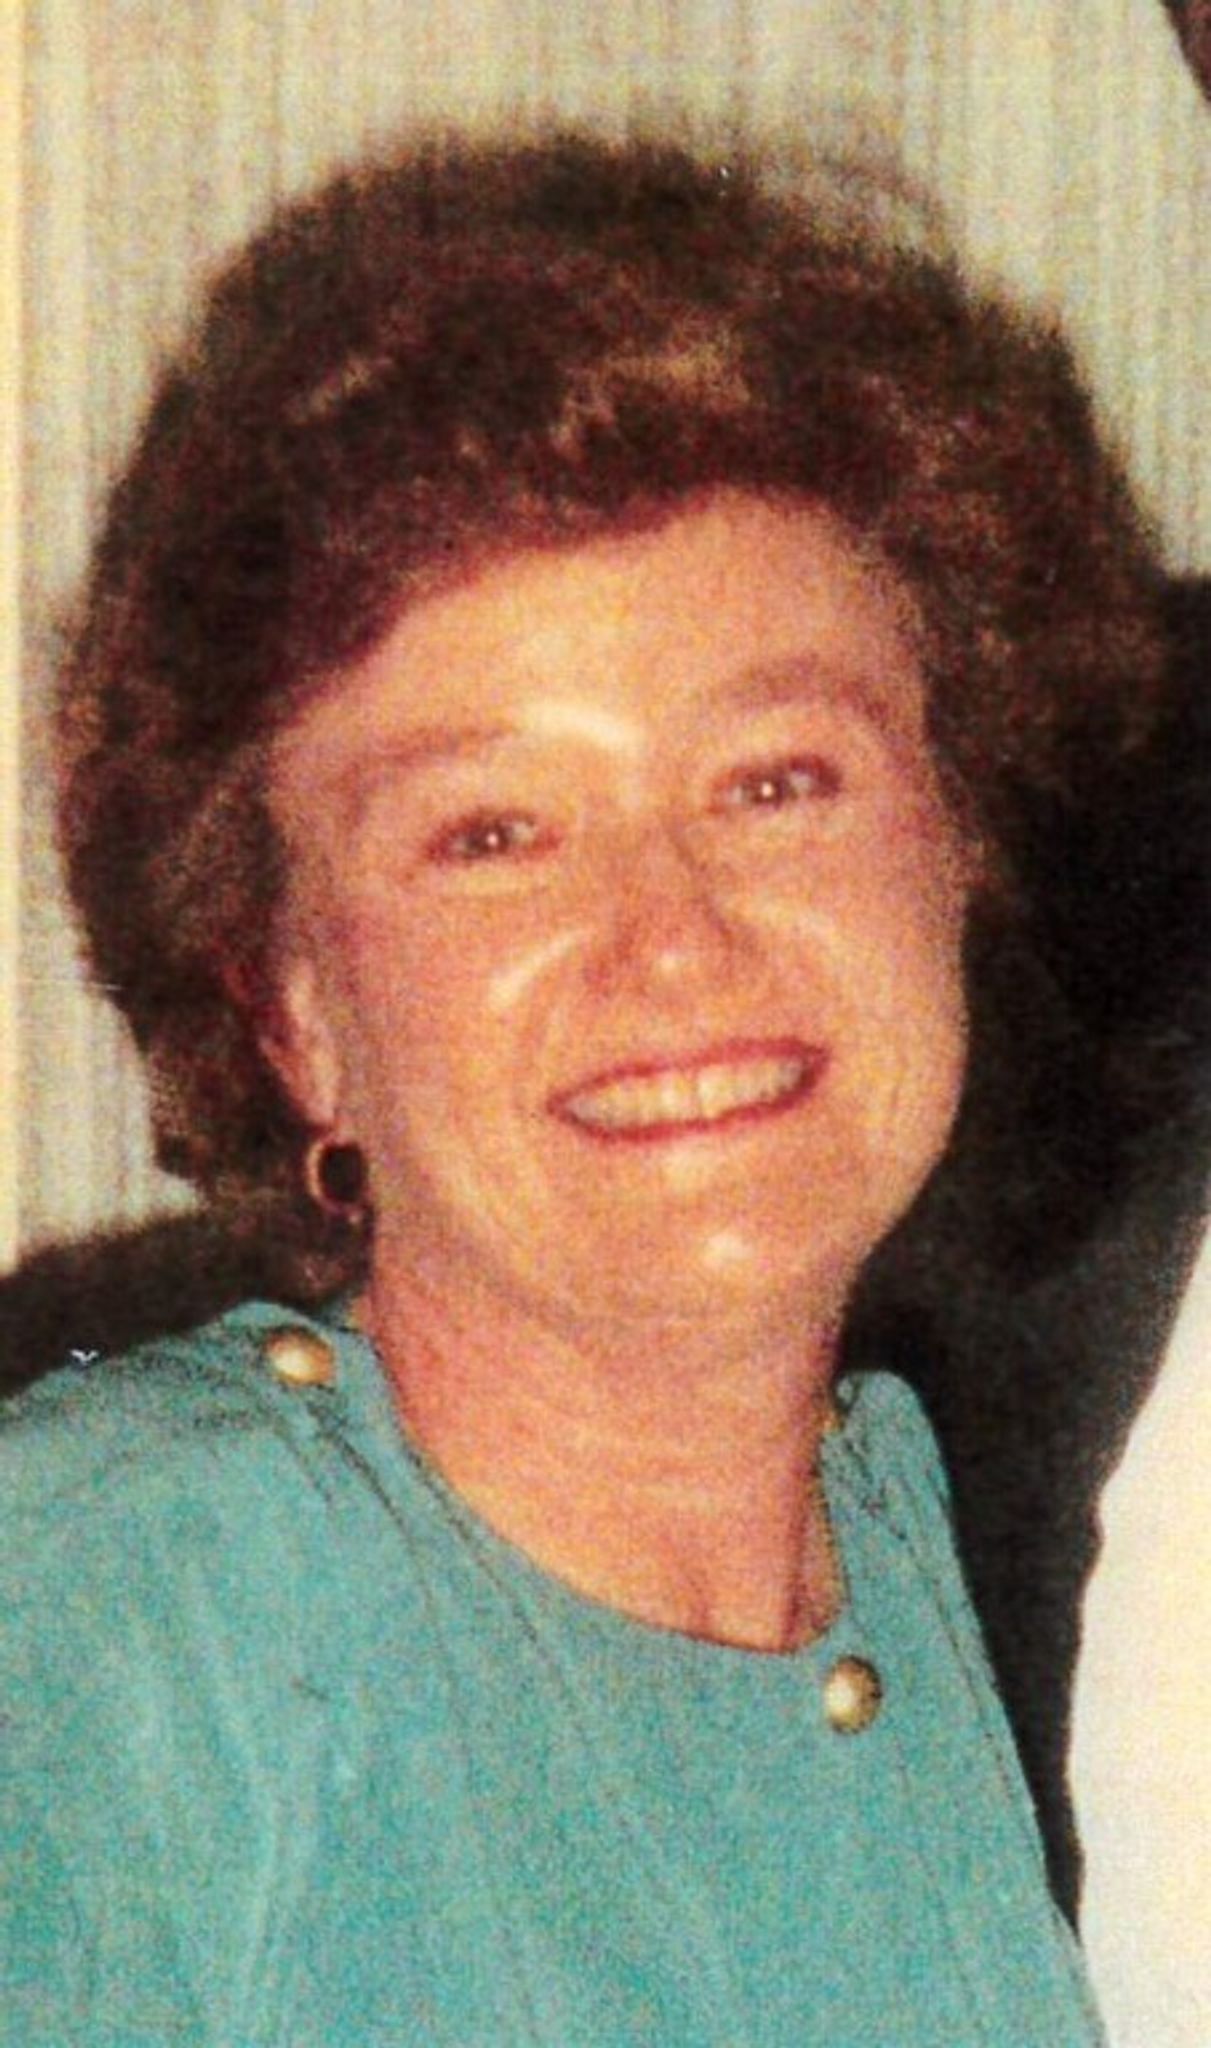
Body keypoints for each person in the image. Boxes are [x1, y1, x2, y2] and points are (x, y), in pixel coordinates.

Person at [0, 132, 1163, 2045]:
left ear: (957, 845)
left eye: (774, 782)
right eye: (493, 834)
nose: (675, 941)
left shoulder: (923, 1540)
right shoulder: (109, 1606)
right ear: (293, 1009)